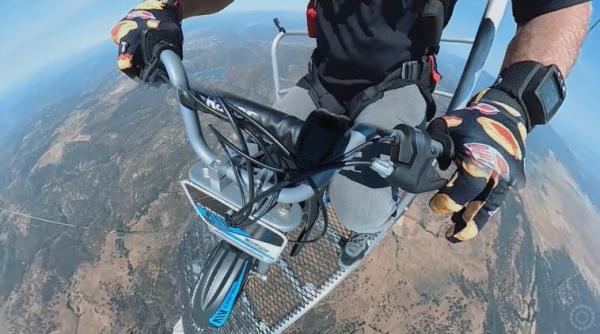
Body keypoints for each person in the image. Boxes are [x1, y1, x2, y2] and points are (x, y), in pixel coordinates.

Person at [111, 0, 591, 267]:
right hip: (322, 82)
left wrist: (511, 106)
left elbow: (556, 7)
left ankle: (372, 216)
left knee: (361, 212)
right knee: (253, 170)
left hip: (397, 84)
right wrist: (169, 7)